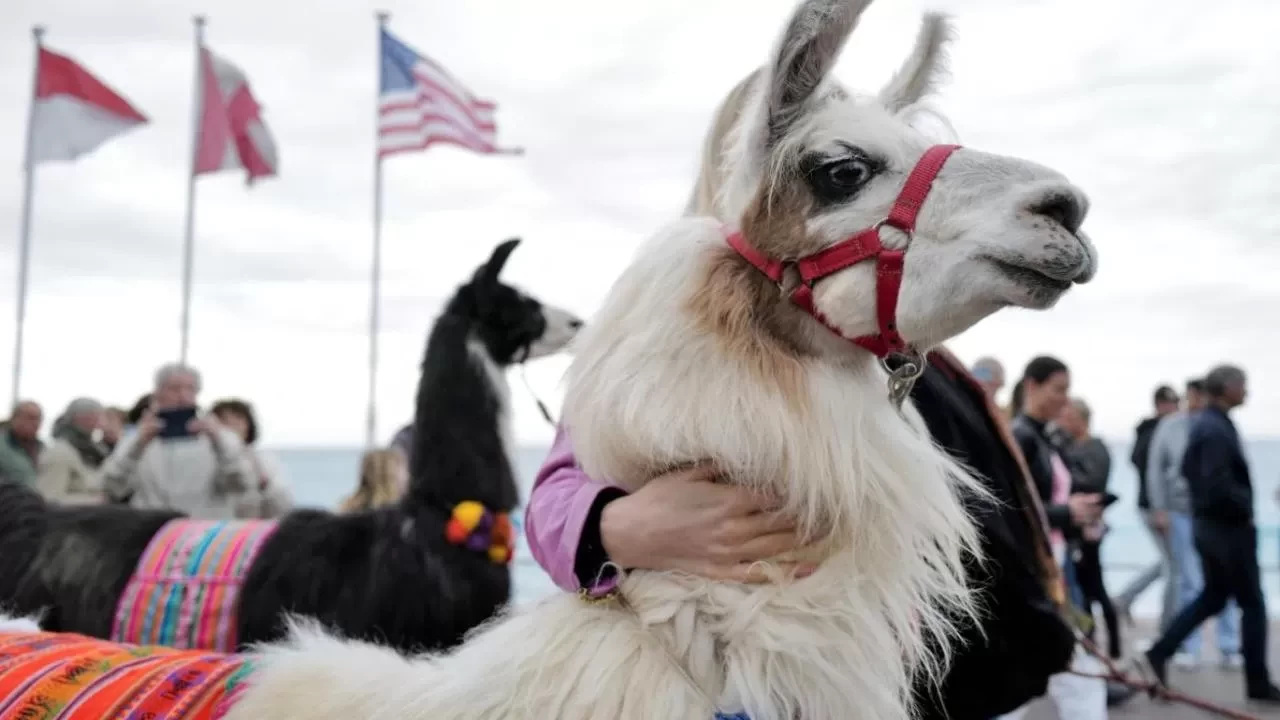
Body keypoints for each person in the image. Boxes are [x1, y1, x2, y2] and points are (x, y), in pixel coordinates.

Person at [527, 347, 1087, 720]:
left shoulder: (915, 359)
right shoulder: (662, 331)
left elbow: (987, 519)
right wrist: (617, 527)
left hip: (892, 677)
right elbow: (553, 503)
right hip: (718, 677)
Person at [1144, 365, 1280, 703]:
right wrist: (1244, 506)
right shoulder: (1214, 428)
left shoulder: (1207, 424)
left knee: (1214, 596)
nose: (1247, 391)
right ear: (1227, 387)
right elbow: (1213, 482)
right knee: (1253, 603)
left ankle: (1160, 650)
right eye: (1243, 384)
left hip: (1211, 527)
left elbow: (1190, 470)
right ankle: (1259, 683)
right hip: (1227, 530)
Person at [1147, 378, 1240, 670]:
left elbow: (1238, 468)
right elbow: (1155, 468)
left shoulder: (1220, 427)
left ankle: (1230, 646)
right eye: (1190, 399)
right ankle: (1191, 647)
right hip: (1181, 512)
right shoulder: (1171, 427)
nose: (1194, 404)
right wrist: (1159, 508)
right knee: (1189, 579)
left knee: (1224, 581)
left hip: (1216, 515)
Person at [100, 364, 258, 519]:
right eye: (174, 389)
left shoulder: (222, 438)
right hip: (151, 535)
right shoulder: (136, 440)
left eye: (190, 389)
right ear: (157, 393)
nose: (183, 396)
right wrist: (137, 445)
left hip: (204, 534)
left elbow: (242, 487)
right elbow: (111, 487)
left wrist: (219, 443)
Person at [1056, 397, 1121, 659]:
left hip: (1087, 529)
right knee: (1086, 589)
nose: (1064, 422)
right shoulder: (1072, 446)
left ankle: (1108, 646)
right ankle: (1093, 642)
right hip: (1077, 528)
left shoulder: (1095, 448)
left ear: (1081, 420)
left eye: (1069, 417)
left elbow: (1094, 482)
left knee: (1095, 590)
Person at [1115, 384, 1181, 621]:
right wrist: (1159, 507)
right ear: (1160, 404)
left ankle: (1126, 597)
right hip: (1154, 506)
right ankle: (1169, 626)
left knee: (1172, 563)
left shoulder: (1157, 430)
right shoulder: (1153, 431)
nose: (1175, 408)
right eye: (1172, 403)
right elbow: (1147, 467)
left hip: (1156, 505)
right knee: (1174, 566)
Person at [211, 399, 292, 518]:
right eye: (225, 421)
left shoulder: (265, 459)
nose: (233, 426)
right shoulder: (209, 460)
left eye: (238, 420)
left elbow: (283, 503)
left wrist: (266, 486)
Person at [35, 397, 109, 505]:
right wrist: (97, 500)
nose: (102, 422)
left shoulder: (89, 450)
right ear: (81, 418)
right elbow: (49, 499)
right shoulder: (59, 452)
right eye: (97, 416)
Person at [338, 449, 407, 513]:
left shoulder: (349, 508)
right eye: (405, 471)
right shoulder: (392, 515)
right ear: (391, 476)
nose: (407, 477)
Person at [0, 400, 44, 486]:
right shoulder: (2, 447)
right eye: (30, 418)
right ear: (14, 418)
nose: (35, 423)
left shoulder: (43, 450)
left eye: (38, 419)